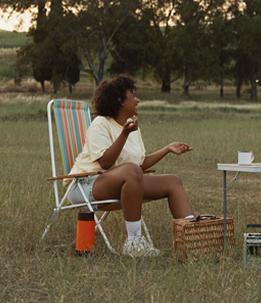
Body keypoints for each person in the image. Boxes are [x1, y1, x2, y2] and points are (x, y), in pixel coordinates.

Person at [67, 74, 196, 257]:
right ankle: (134, 242)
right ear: (120, 100)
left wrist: (167, 149)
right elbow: (105, 162)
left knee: (172, 182)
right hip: (85, 185)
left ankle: (194, 238)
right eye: (133, 95)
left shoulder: (131, 126)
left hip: (121, 182)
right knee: (131, 171)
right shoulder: (101, 124)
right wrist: (125, 134)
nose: (137, 100)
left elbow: (140, 164)